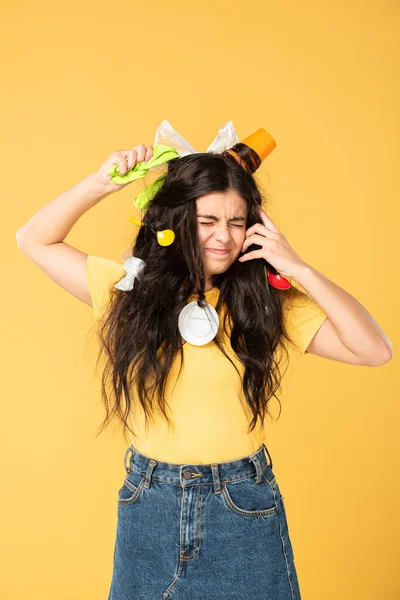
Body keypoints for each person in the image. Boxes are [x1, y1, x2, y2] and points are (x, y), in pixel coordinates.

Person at [16, 136, 392, 599]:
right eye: (208, 220)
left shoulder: (265, 304)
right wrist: (100, 183)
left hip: (241, 503)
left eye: (237, 222)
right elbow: (33, 238)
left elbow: (375, 350)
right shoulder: (125, 292)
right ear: (173, 222)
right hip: (148, 501)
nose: (224, 235)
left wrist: (301, 269)